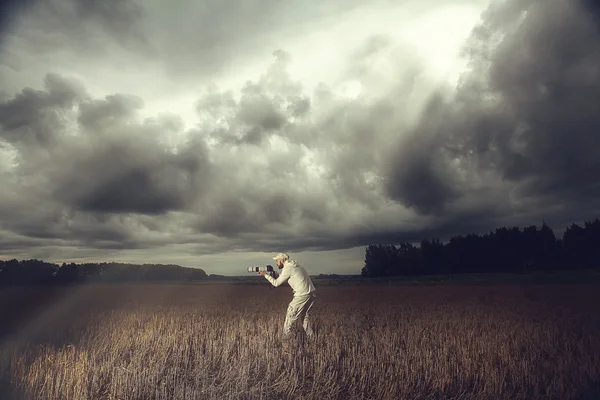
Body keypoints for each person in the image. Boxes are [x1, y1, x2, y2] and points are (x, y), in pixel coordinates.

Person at [259, 252, 316, 340]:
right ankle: (313, 339)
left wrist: (265, 275)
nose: (276, 263)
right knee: (304, 318)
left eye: (277, 261)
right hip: (311, 294)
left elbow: (276, 283)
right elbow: (284, 276)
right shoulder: (295, 265)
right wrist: (273, 274)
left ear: (282, 260)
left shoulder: (288, 268)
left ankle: (286, 342)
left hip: (301, 295)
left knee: (289, 319)